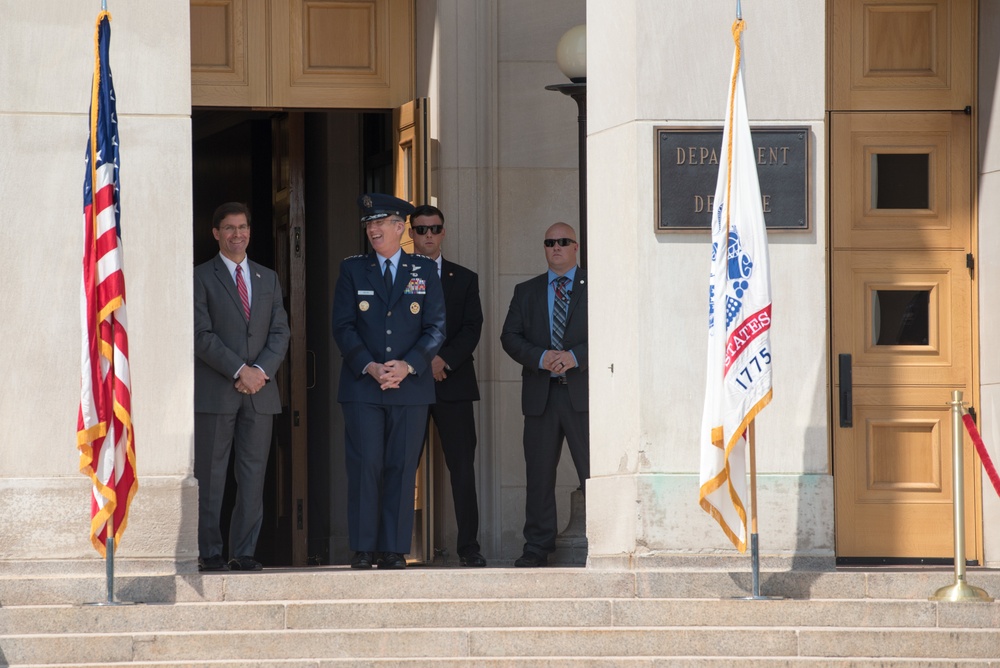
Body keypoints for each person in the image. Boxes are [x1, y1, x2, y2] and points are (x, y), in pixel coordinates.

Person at [332, 193, 446, 570]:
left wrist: (408, 365)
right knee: (366, 465)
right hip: (364, 386)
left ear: (401, 228)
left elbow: (435, 328)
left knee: (401, 466)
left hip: (410, 388)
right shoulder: (353, 269)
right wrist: (370, 366)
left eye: (380, 223)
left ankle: (395, 548)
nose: (373, 229)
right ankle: (364, 547)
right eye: (369, 224)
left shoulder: (424, 270)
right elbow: (343, 327)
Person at [193, 202, 290, 572]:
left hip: (260, 394)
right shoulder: (200, 277)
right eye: (230, 228)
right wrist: (239, 370)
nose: (238, 234)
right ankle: (210, 552)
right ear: (216, 233)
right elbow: (201, 335)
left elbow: (281, 331)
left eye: (243, 227)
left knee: (253, 476)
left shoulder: (268, 278)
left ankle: (243, 552)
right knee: (212, 476)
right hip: (217, 393)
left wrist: (260, 370)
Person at [500, 222, 589, 567]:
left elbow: (611, 328)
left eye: (563, 242)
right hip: (541, 396)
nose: (555, 247)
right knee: (538, 476)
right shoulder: (527, 291)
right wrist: (540, 357)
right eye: (549, 242)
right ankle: (537, 546)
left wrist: (575, 357)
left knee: (593, 474)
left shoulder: (595, 286)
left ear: (575, 247)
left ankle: (602, 542)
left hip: (581, 396)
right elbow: (510, 337)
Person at [408, 204, 486, 567]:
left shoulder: (464, 278)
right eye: (421, 229)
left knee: (463, 468)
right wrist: (425, 362)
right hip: (410, 383)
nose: (428, 236)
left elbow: (472, 327)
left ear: (443, 231)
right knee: (403, 465)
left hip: (452, 383)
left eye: (434, 229)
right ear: (410, 233)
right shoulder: (398, 275)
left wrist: (444, 360)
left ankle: (469, 547)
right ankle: (395, 547)